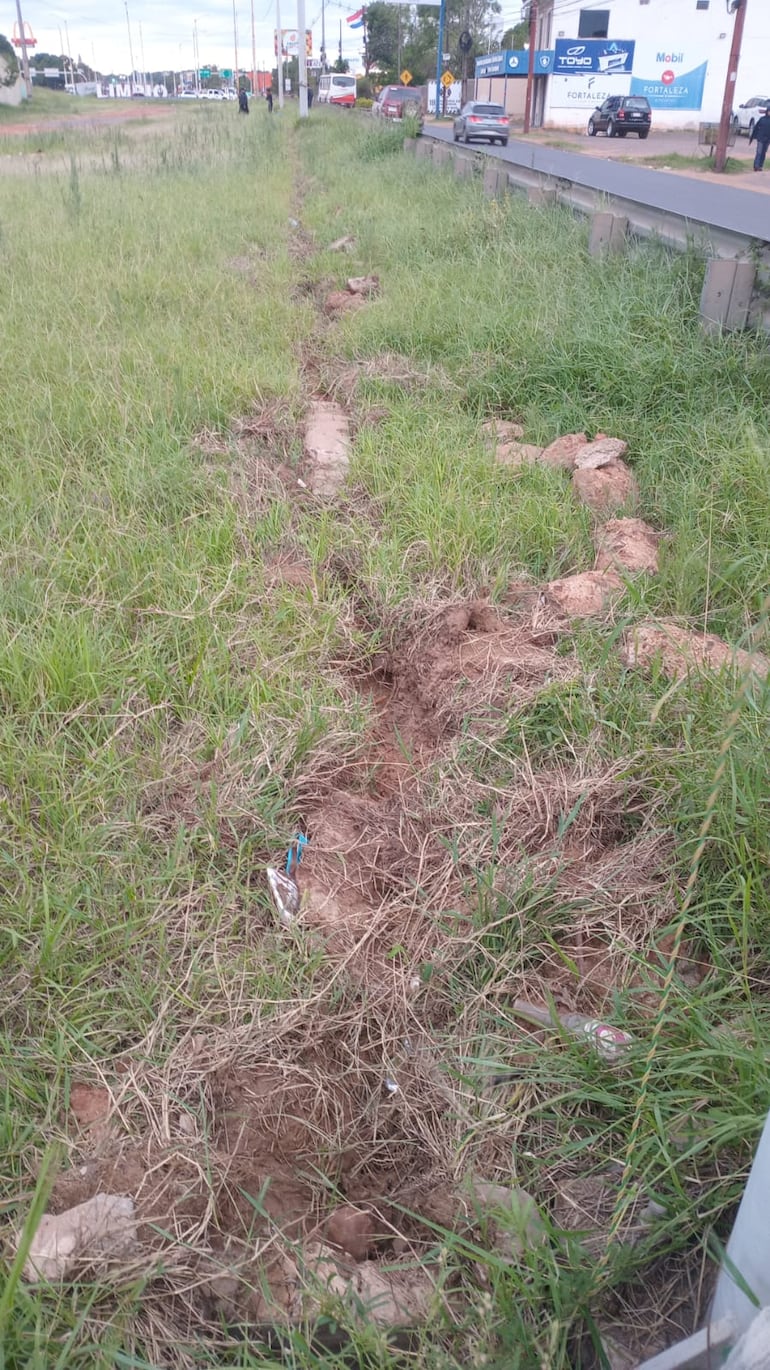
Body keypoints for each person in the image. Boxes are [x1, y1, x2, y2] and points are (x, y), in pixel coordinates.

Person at [749, 107, 770, 172]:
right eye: (769, 111)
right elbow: (756, 128)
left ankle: (760, 166)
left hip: (768, 139)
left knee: (763, 152)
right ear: (767, 111)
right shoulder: (762, 119)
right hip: (760, 138)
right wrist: (752, 138)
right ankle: (756, 166)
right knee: (759, 152)